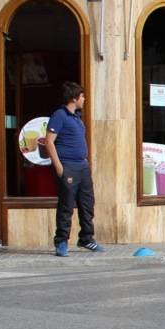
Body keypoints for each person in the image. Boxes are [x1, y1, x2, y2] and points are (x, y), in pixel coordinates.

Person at [45, 81, 102, 257]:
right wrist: (60, 168)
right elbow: (48, 142)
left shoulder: (77, 117)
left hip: (82, 167)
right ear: (74, 98)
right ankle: (61, 242)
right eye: (82, 96)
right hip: (68, 166)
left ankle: (86, 238)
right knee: (66, 206)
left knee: (87, 204)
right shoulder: (59, 115)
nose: (84, 99)